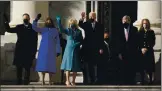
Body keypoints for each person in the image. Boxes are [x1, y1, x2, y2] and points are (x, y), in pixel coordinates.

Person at [4, 13, 38, 85]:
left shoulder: (33, 28)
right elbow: (9, 29)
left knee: (27, 67)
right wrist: (6, 22)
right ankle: (19, 81)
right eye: (24, 18)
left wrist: (34, 52)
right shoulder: (19, 27)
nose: (25, 19)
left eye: (26, 18)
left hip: (29, 50)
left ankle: (26, 82)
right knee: (19, 67)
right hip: (20, 50)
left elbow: (35, 41)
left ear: (29, 19)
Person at [32, 14, 61, 85]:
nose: (48, 22)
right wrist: (36, 19)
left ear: (51, 22)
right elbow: (34, 27)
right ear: (46, 22)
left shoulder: (55, 30)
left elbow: (57, 41)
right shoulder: (43, 29)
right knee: (43, 65)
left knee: (51, 65)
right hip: (43, 49)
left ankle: (50, 80)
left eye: (49, 21)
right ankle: (42, 80)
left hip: (52, 49)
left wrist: (58, 50)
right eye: (47, 21)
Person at [56, 16, 83, 86]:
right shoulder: (68, 30)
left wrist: (77, 44)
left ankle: (73, 81)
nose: (72, 24)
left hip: (76, 49)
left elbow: (81, 40)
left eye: (73, 23)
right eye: (71, 23)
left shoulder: (79, 31)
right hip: (68, 49)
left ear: (75, 23)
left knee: (75, 66)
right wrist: (59, 21)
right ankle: (67, 81)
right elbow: (61, 30)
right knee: (67, 66)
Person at [79, 12, 104, 85]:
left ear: (95, 16)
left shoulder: (100, 25)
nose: (92, 17)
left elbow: (101, 38)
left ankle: (95, 79)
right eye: (90, 16)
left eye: (93, 16)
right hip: (87, 47)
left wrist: (101, 48)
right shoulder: (86, 24)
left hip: (96, 48)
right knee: (87, 64)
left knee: (95, 64)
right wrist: (82, 18)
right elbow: (80, 24)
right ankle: (88, 80)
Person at [116, 15, 138, 85]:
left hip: (132, 52)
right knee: (123, 67)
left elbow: (136, 41)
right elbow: (117, 42)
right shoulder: (119, 30)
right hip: (122, 52)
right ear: (122, 21)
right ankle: (123, 80)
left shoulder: (134, 29)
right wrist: (119, 53)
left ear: (129, 21)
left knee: (131, 66)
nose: (125, 22)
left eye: (126, 20)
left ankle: (131, 80)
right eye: (123, 20)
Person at [138, 19, 156, 85]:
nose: (144, 24)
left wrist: (147, 48)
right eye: (143, 23)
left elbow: (153, 42)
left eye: (146, 23)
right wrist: (141, 48)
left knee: (149, 66)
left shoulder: (151, 32)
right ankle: (142, 80)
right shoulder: (139, 32)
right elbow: (138, 42)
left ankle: (150, 80)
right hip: (141, 52)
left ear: (148, 24)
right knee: (142, 66)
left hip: (149, 51)